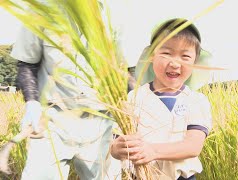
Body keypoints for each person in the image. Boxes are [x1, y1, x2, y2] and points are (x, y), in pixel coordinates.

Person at [10, 9, 118, 180]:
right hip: (53, 120)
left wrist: (125, 123)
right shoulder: (40, 9)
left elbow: (126, 71)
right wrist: (32, 102)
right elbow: (27, 63)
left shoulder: (113, 13)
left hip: (101, 122)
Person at [110, 18, 213, 180]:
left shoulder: (196, 101)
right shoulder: (135, 97)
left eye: (185, 56)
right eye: (166, 53)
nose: (174, 63)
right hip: (141, 176)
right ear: (152, 56)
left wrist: (153, 151)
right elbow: (116, 143)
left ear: (195, 63)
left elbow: (193, 146)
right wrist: (117, 148)